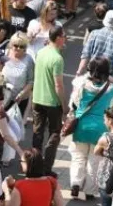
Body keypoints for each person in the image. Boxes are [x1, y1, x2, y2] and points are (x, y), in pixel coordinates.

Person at [69, 58, 113, 199]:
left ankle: (75, 183)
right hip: (100, 129)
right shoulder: (111, 89)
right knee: (94, 161)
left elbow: (74, 100)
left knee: (78, 157)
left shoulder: (82, 83)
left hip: (81, 125)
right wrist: (111, 78)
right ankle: (89, 191)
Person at [32, 25, 68, 175]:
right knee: (54, 134)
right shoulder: (57, 59)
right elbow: (58, 85)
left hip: (37, 98)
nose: (65, 38)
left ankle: (34, 164)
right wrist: (64, 106)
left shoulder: (41, 52)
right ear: (58, 38)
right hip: (52, 102)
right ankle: (47, 168)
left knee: (37, 133)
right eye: (64, 35)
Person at [77, 10, 113, 81]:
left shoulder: (94, 33)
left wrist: (79, 72)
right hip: (108, 77)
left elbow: (85, 55)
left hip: (92, 74)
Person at [3, 32, 35, 115]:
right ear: (11, 45)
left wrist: (21, 94)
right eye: (15, 45)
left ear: (25, 48)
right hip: (3, 96)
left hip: (19, 99)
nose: (18, 48)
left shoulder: (28, 60)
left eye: (22, 46)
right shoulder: (5, 54)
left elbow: (31, 81)